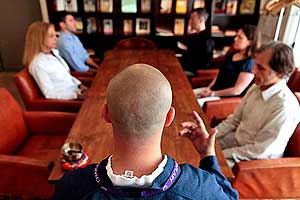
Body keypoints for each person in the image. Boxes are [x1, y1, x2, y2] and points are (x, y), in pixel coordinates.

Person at [53, 64, 238, 199]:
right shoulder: (201, 188)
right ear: (169, 117)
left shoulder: (72, 187)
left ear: (106, 114)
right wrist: (208, 156)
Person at [187, 42, 300, 167]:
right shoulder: (256, 88)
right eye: (255, 64)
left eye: (261, 68)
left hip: (253, 162)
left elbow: (260, 151)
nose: (252, 70)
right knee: (191, 149)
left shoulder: (285, 107)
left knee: (199, 164)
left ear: (280, 73)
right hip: (235, 141)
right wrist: (210, 137)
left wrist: (218, 154)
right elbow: (234, 120)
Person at [194, 24, 261, 107]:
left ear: (250, 42)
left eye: (240, 37)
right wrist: (209, 88)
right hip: (212, 91)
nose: (235, 39)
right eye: (236, 36)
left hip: (223, 98)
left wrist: (213, 93)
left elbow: (237, 90)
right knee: (189, 94)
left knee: (192, 103)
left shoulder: (249, 63)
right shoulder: (232, 54)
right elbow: (219, 74)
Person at [23, 21, 88, 100]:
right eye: (51, 36)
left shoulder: (54, 53)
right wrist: (77, 96)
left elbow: (66, 76)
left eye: (55, 34)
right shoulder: (38, 64)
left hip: (77, 91)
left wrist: (79, 84)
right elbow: (50, 94)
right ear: (40, 39)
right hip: (69, 101)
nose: (56, 38)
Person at [179, 8, 215, 75]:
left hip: (194, 72)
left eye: (192, 19)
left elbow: (205, 63)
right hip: (186, 66)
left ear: (201, 20)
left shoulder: (207, 40)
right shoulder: (194, 36)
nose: (190, 22)